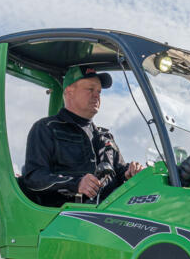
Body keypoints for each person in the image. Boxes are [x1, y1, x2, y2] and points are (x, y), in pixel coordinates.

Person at [20, 64, 142, 206]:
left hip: (109, 216)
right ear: (69, 92)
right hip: (65, 219)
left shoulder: (105, 136)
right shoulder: (47, 129)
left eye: (99, 91)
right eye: (90, 89)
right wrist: (76, 184)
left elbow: (120, 171)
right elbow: (34, 178)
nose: (96, 95)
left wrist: (130, 172)